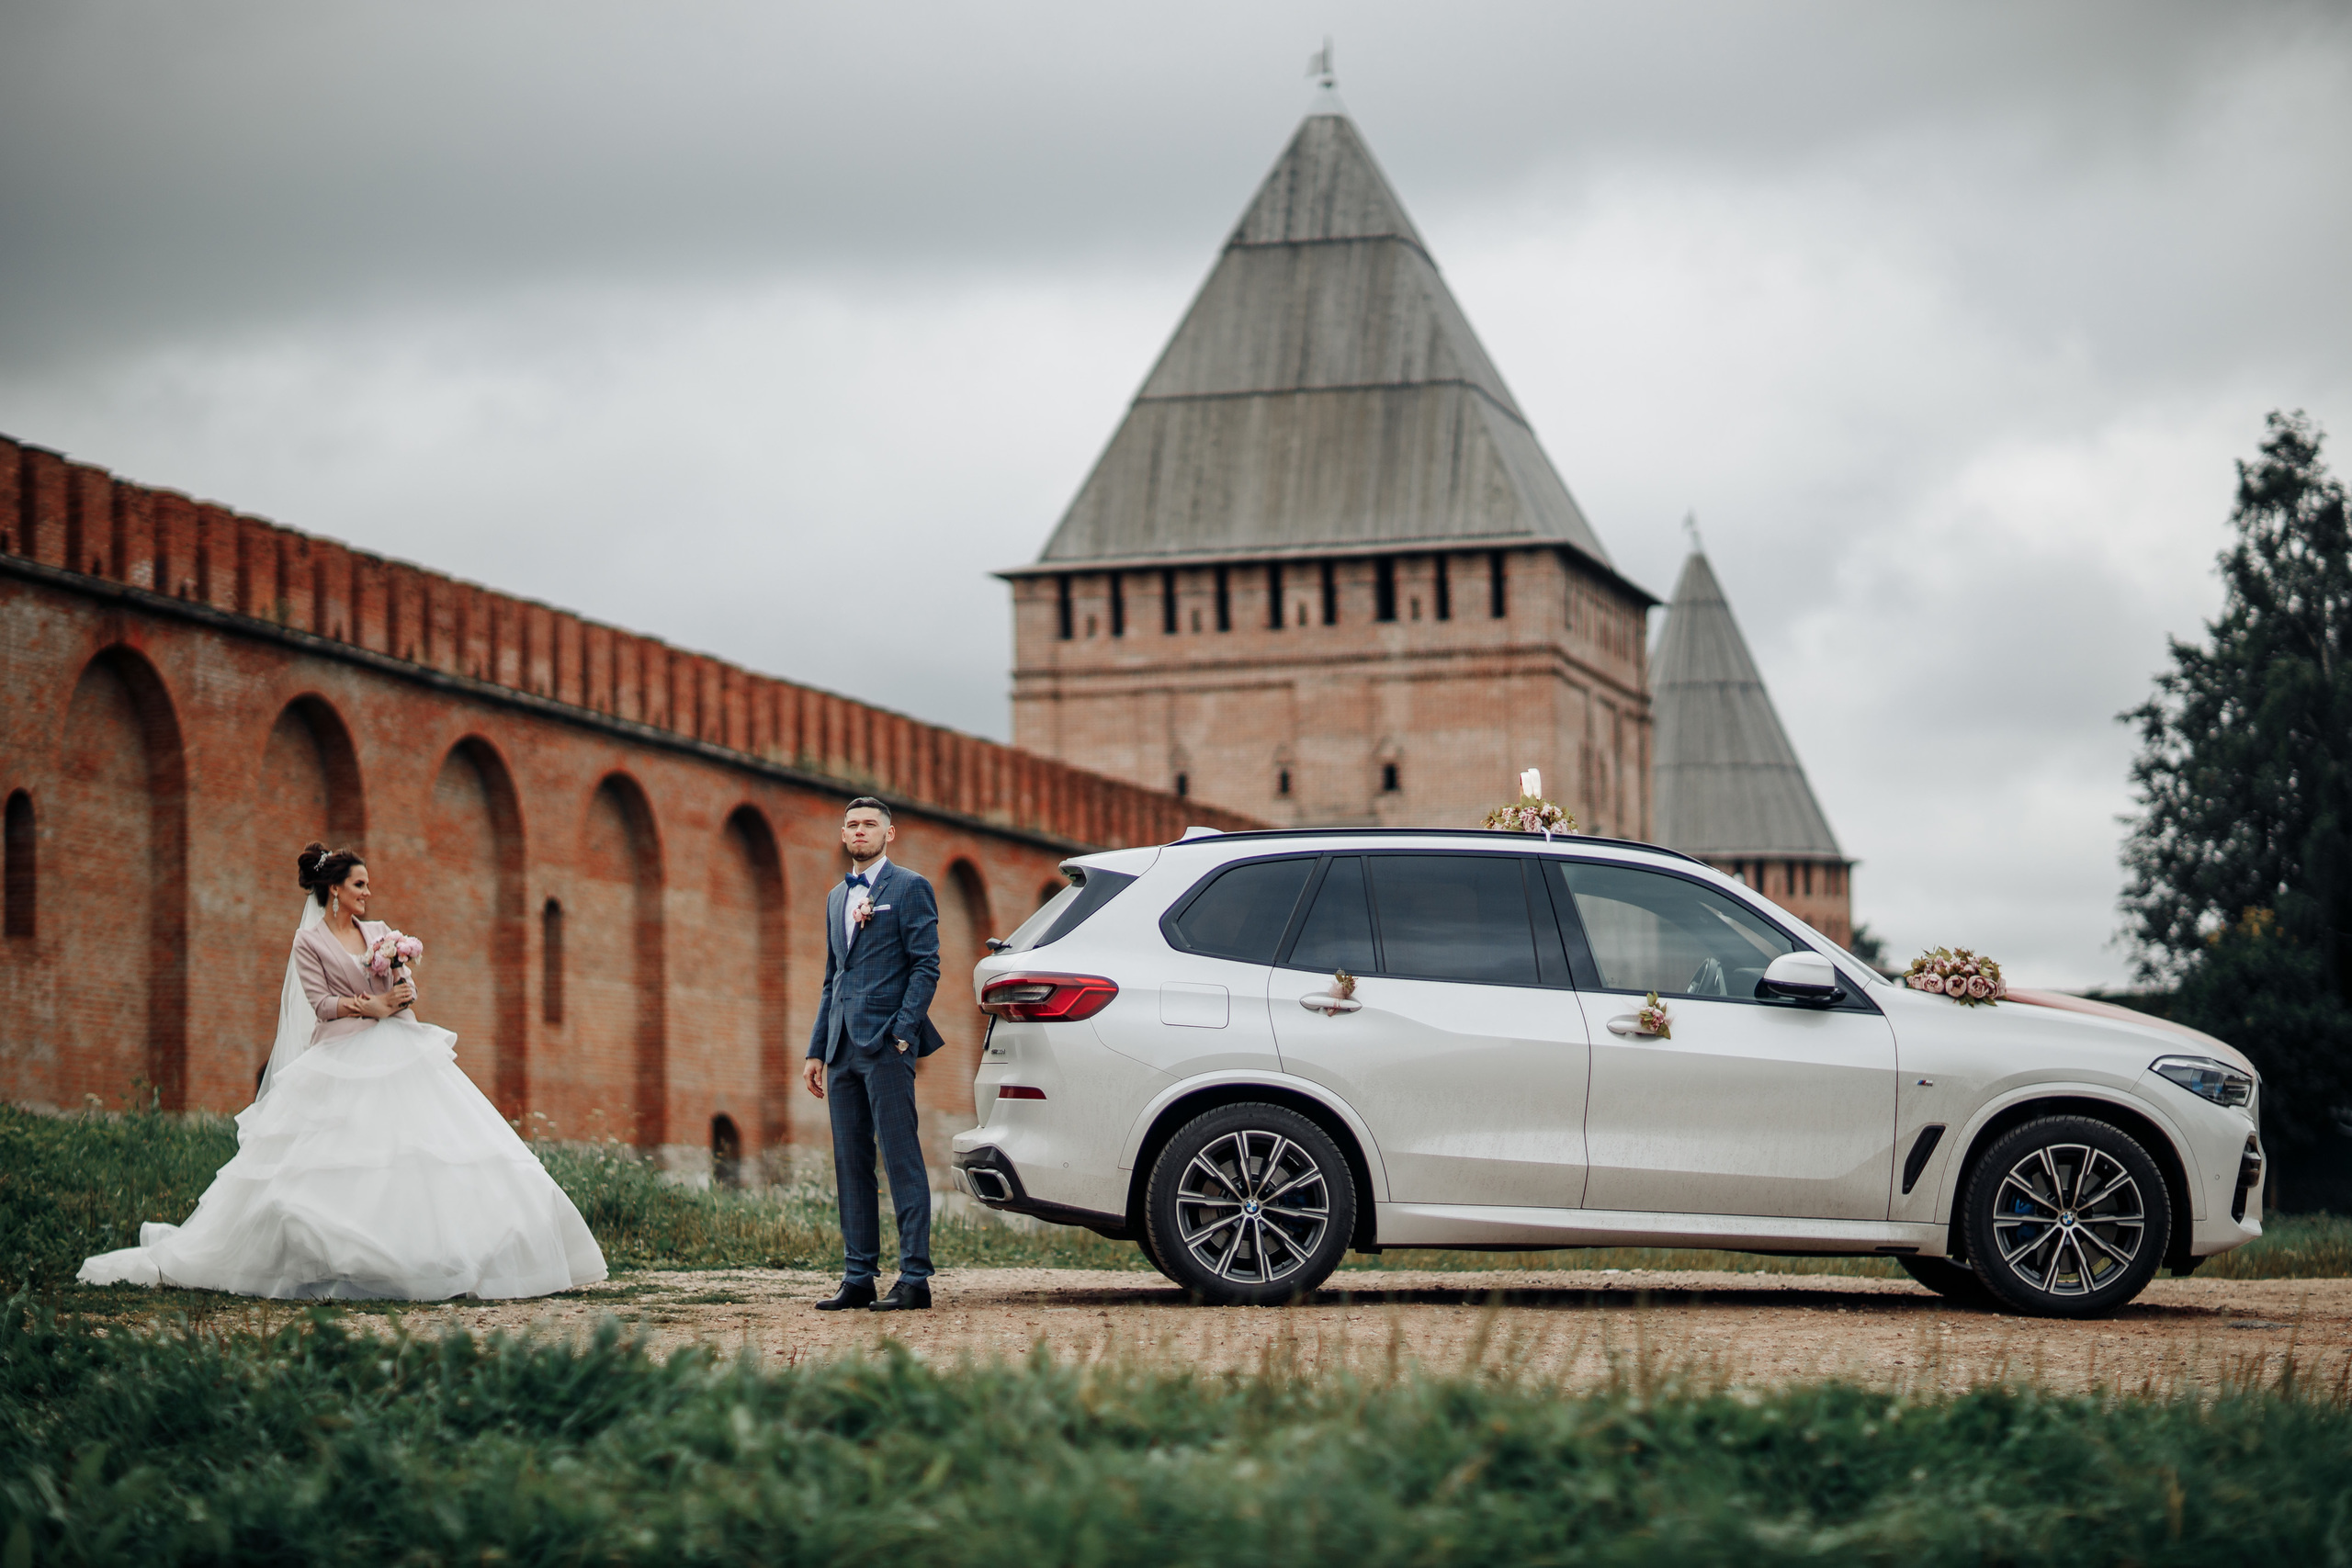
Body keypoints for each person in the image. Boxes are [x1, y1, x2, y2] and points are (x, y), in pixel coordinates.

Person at [77, 842, 606, 1300]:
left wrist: (401, 994)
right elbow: (320, 1004)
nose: (367, 893)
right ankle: (333, 1259)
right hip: (343, 1052)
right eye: (359, 884)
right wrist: (367, 1007)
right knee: (339, 1163)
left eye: (368, 885)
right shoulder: (308, 943)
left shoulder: (379, 932)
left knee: (425, 1153)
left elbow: (403, 986)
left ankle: (435, 1253)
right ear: (334, 889)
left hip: (399, 1047)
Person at [804, 796, 945, 1312]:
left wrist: (902, 1034)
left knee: (900, 1157)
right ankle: (858, 1275)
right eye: (852, 825)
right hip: (840, 1049)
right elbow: (831, 978)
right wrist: (817, 1049)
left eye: (870, 825)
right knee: (851, 1163)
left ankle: (915, 1279)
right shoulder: (833, 898)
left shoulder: (909, 888)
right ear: (843, 835)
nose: (860, 832)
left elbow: (926, 966)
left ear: (890, 834)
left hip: (887, 1045)